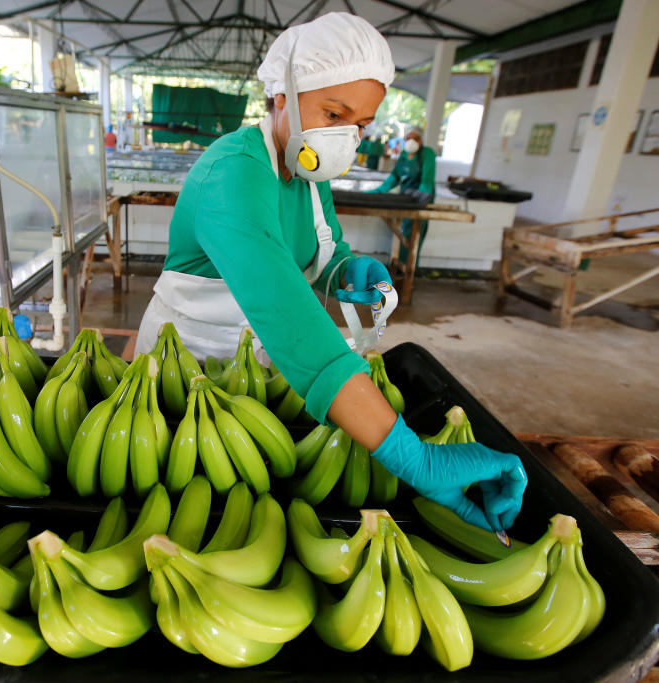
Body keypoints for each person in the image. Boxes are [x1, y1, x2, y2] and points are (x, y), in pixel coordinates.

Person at [135, 12, 526, 532]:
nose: (347, 135)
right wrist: (415, 458)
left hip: (258, 359)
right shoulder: (232, 171)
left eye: (360, 124)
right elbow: (287, 311)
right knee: (189, 496)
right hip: (188, 361)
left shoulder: (305, 170)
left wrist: (346, 270)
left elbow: (322, 249)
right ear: (282, 97)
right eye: (333, 111)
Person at [370, 126, 436, 261]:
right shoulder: (404, 155)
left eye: (416, 138)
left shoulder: (427, 154)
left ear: (421, 140)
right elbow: (395, 176)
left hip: (420, 198)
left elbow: (427, 179)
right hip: (406, 197)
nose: (412, 141)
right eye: (408, 138)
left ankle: (409, 268)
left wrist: (423, 197)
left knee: (414, 236)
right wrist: (380, 190)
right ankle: (399, 265)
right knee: (403, 232)